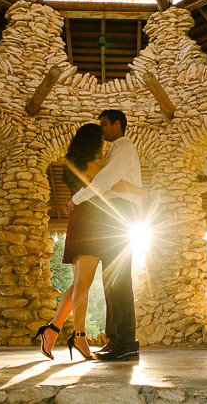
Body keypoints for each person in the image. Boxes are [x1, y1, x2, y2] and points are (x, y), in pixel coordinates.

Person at [34, 122, 143, 361]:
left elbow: (83, 190)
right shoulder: (95, 166)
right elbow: (107, 184)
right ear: (94, 142)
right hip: (90, 224)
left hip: (81, 220)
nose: (104, 145)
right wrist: (139, 190)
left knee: (78, 283)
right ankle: (79, 335)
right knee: (83, 283)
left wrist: (73, 200)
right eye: (101, 141)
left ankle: (51, 331)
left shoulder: (73, 162)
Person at [64, 109, 142, 362]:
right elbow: (106, 183)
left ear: (117, 125)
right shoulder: (113, 152)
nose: (102, 129)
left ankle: (127, 343)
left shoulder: (123, 147)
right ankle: (116, 340)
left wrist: (76, 200)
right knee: (111, 281)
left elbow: (104, 181)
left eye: (105, 124)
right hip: (113, 215)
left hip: (122, 213)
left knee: (119, 281)